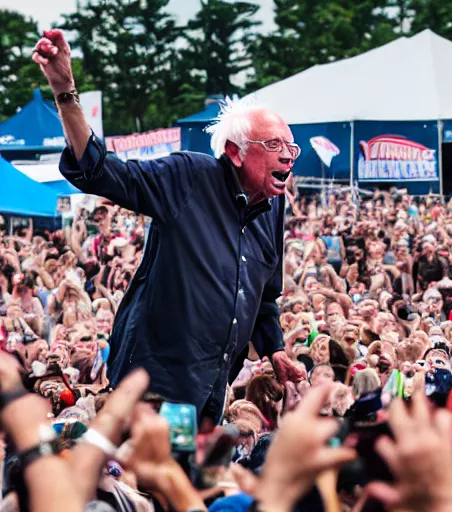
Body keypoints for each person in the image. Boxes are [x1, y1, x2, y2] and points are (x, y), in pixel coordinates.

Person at [32, 29, 304, 421]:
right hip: (155, 388)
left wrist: (275, 348)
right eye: (275, 146)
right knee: (148, 478)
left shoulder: (272, 209)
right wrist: (64, 89)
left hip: (212, 389)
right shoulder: (188, 178)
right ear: (235, 152)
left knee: (189, 479)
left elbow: (263, 298)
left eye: (291, 148)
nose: (288, 158)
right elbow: (100, 172)